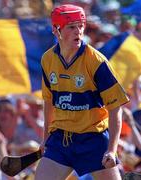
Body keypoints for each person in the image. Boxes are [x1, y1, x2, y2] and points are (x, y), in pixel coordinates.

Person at [35, 4, 129, 180]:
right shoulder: (47, 60)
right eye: (71, 27)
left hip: (93, 140)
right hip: (61, 140)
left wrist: (111, 149)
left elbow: (116, 107)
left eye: (81, 25)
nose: (78, 31)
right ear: (56, 30)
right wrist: (45, 138)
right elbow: (48, 101)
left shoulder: (96, 61)